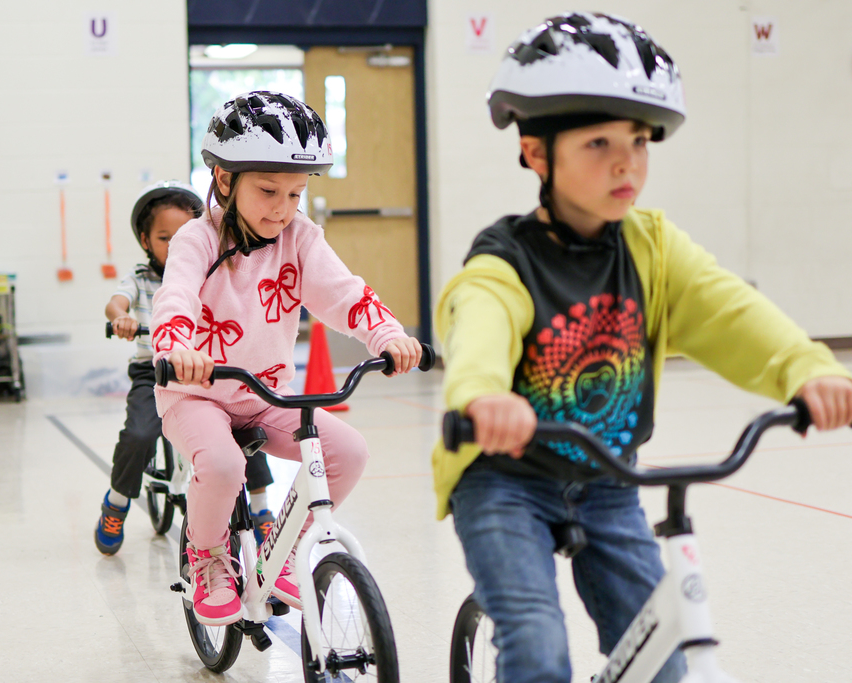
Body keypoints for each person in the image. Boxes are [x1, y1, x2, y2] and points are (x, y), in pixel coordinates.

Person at [432, 13, 852, 683]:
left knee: (664, 659)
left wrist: (807, 369)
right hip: (508, 481)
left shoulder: (651, 250)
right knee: (539, 652)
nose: (626, 160)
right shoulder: (504, 261)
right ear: (537, 152)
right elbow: (477, 323)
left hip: (608, 481)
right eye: (598, 142)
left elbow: (730, 309)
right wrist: (484, 396)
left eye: (638, 139)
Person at [150, 91, 423, 625]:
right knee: (225, 463)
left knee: (347, 450)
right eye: (269, 191)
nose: (283, 208)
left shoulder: (299, 238)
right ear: (225, 181)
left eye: (296, 194)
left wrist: (388, 335)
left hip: (264, 394)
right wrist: (176, 348)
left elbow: (343, 293)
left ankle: (286, 550)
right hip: (195, 394)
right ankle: (206, 555)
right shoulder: (197, 239)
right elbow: (175, 297)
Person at [95, 181, 277, 555]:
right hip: (155, 371)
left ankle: (261, 511)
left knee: (246, 427)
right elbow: (115, 303)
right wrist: (122, 319)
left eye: (183, 235)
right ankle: (116, 501)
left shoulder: (209, 272)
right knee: (139, 435)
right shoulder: (141, 278)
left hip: (206, 371)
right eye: (164, 237)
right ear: (146, 241)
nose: (175, 245)